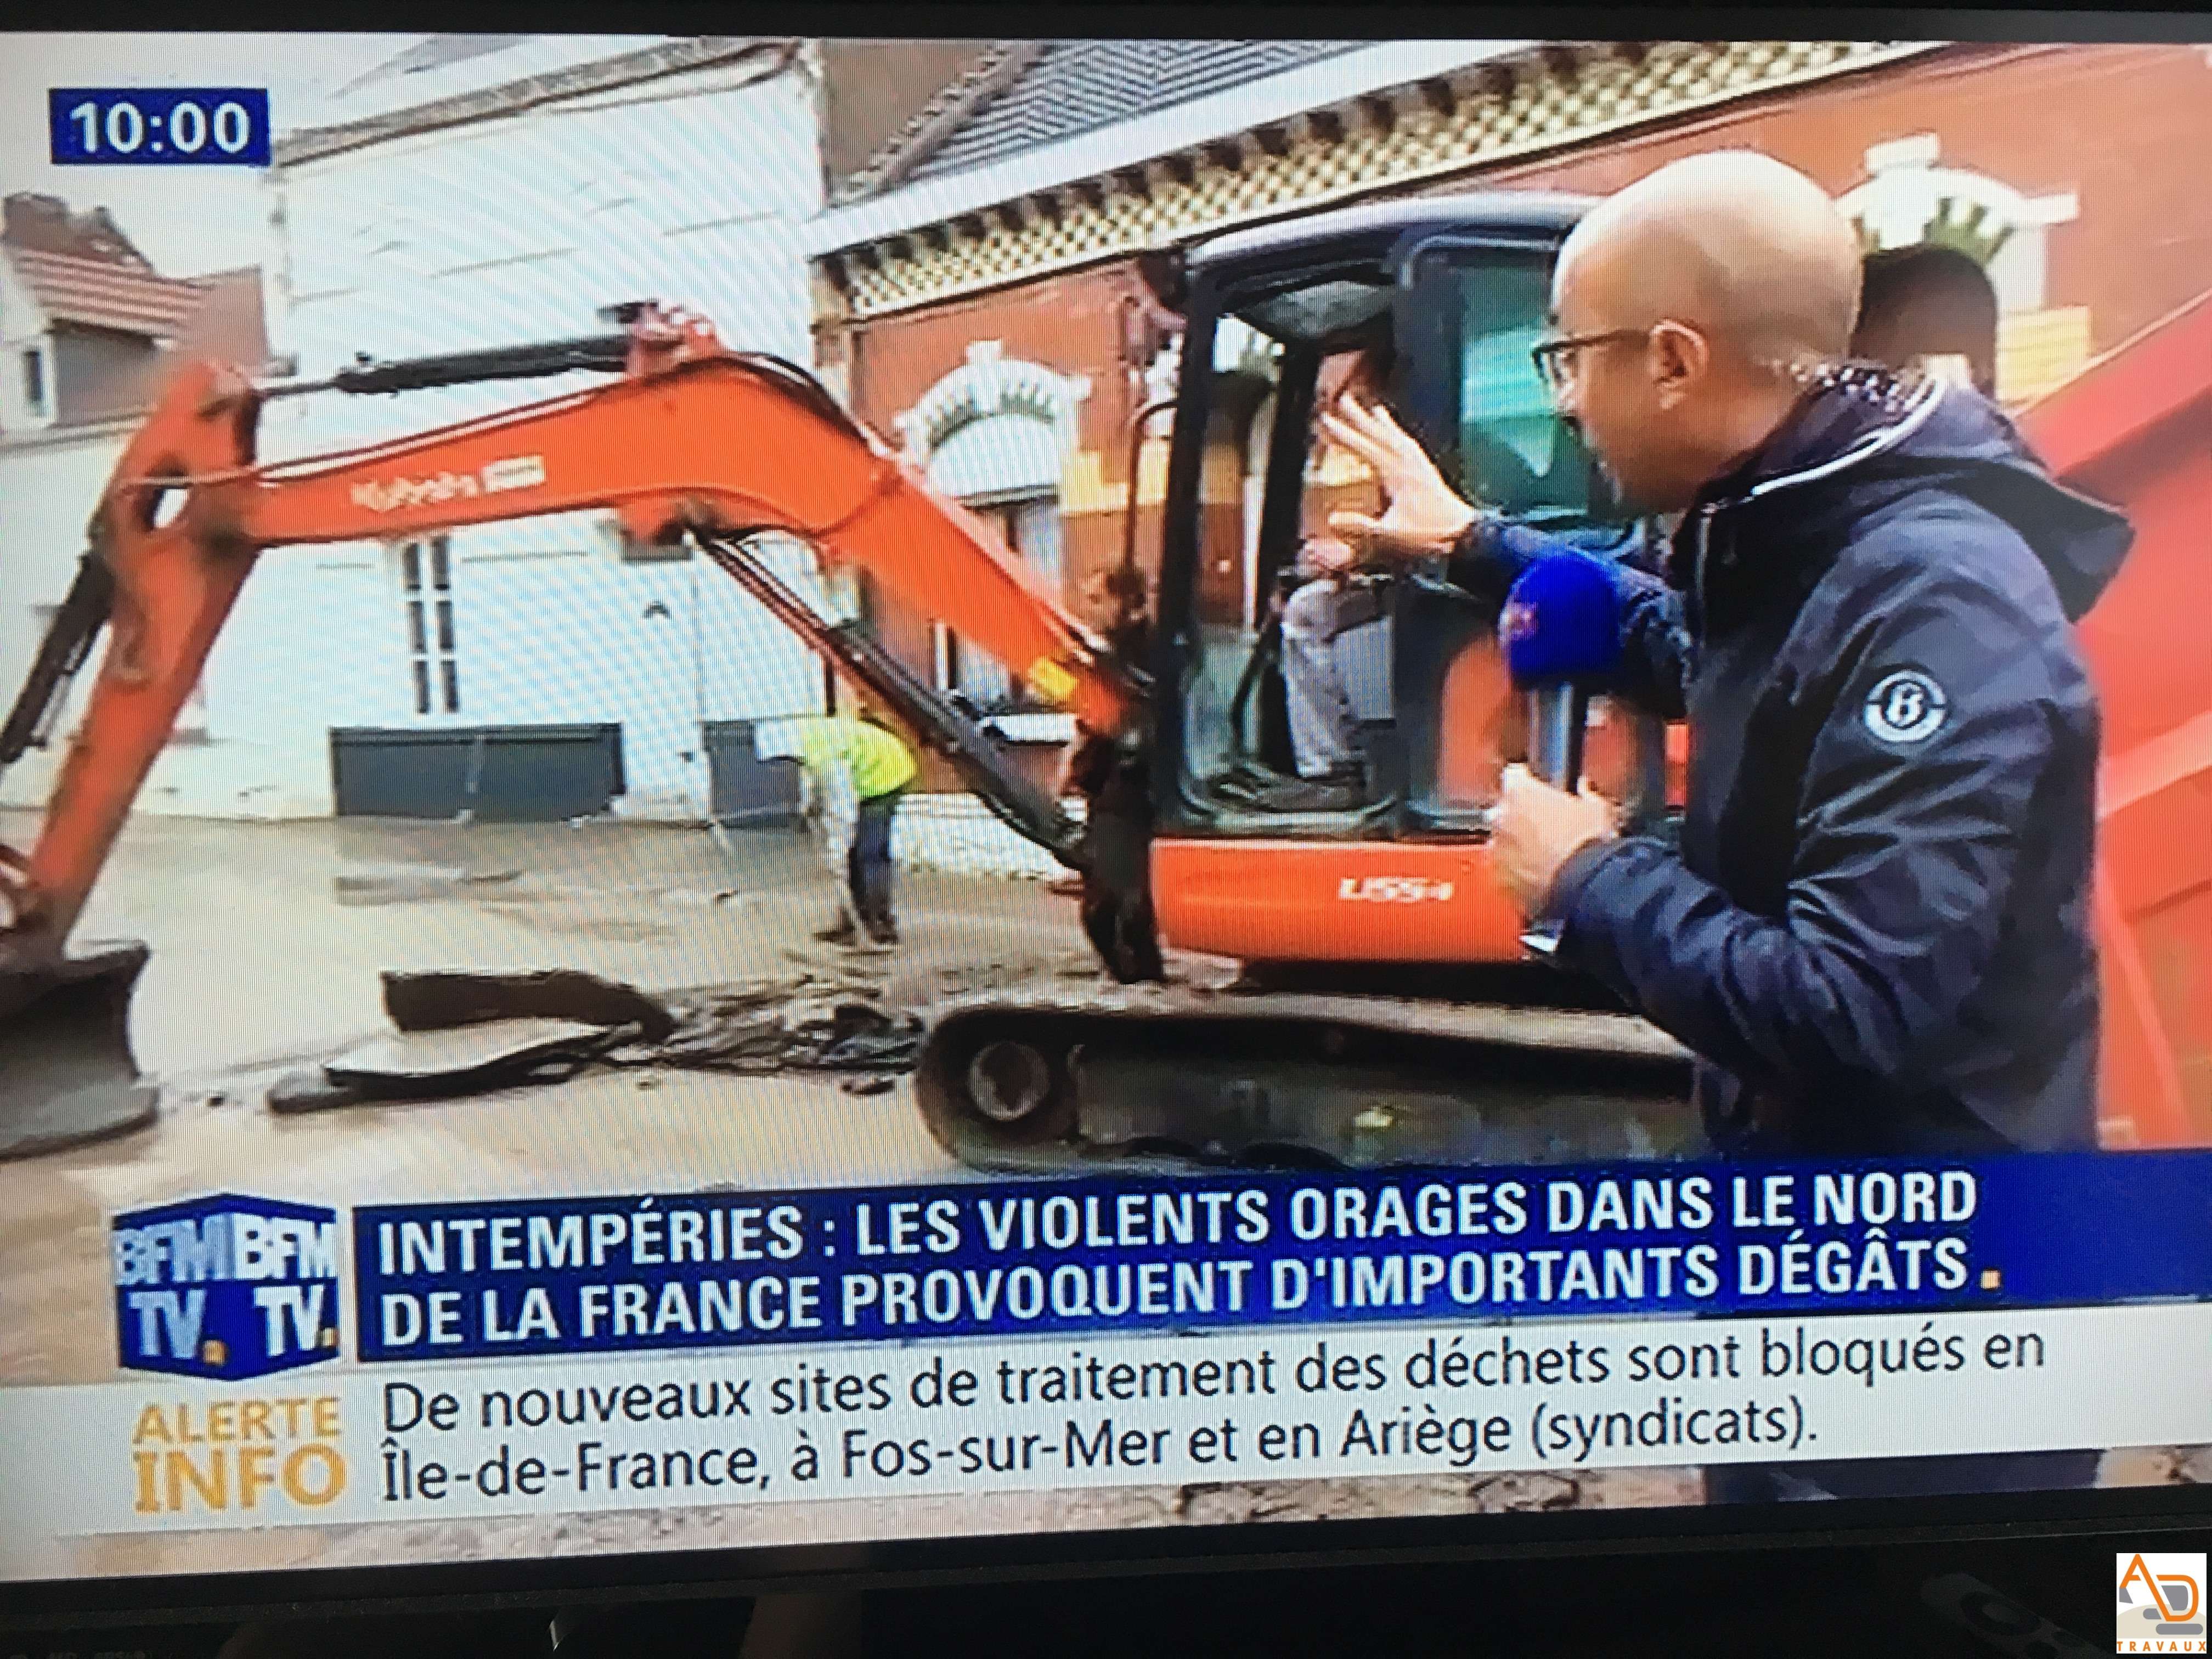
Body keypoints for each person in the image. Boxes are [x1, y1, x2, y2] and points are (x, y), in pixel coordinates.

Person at [1321, 151, 2131, 1503]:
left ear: (1679, 361)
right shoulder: (1810, 526)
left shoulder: (1937, 600)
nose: (1566, 401)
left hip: (1932, 1335)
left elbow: (1852, 1002)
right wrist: (1474, 545)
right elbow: (1709, 644)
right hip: (1821, 1259)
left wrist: (1586, 880)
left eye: (1570, 359)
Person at [754, 710, 917, 946]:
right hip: (882, 765)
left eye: (783, 760)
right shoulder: (808, 737)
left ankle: (879, 926)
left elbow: (837, 805)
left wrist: (835, 847)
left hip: (886, 775)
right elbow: (821, 786)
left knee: (869, 854)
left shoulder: (820, 751)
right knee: (859, 854)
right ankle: (857, 920)